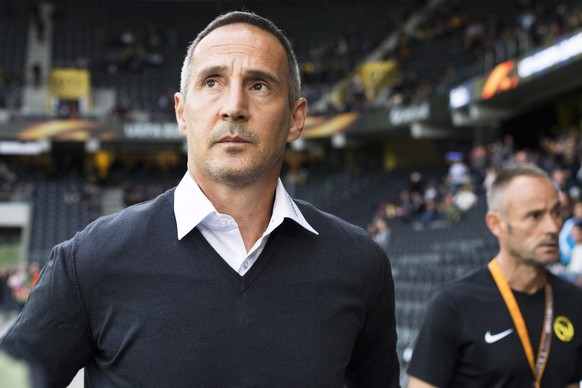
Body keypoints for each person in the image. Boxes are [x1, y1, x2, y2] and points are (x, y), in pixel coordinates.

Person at [0, 11, 400, 387]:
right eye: (212, 82)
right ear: (181, 112)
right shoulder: (89, 260)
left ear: (296, 118)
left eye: (259, 85)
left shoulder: (360, 264)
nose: (234, 107)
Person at [407, 164, 582, 387]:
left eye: (556, 212)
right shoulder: (453, 305)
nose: (553, 227)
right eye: (534, 215)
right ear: (496, 223)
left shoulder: (575, 301)